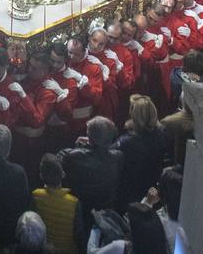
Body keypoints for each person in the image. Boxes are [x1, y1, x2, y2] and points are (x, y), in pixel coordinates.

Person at [60, 116, 124, 249]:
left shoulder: (75, 156)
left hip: (84, 210)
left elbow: (60, 157)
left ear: (90, 138)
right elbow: (108, 149)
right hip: (107, 209)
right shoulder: (118, 157)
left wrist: (79, 146)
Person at [113, 95, 169, 208]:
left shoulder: (126, 142)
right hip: (151, 183)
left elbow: (110, 154)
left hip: (130, 187)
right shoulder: (161, 133)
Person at [32, 153, 80, 254]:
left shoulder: (36, 195)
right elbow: (79, 234)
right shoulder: (74, 202)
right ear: (63, 174)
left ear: (41, 176)